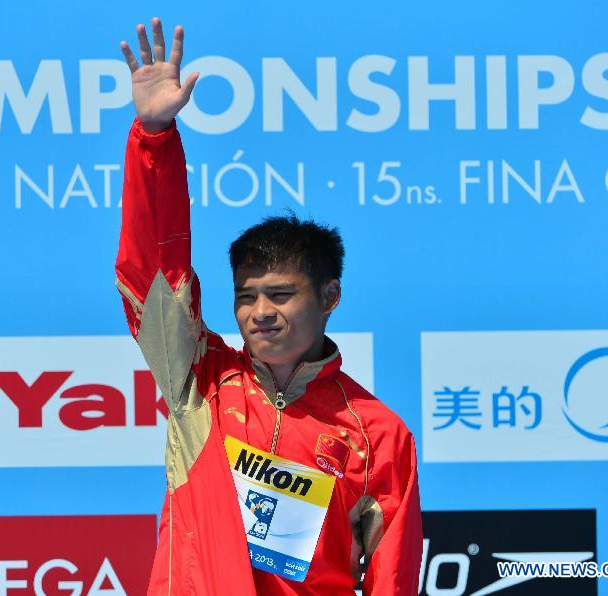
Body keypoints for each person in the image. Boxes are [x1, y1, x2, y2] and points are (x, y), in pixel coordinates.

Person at [115, 18, 423, 595]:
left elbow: (393, 578)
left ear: (330, 297)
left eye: (281, 295)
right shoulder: (196, 380)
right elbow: (153, 276)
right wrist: (154, 138)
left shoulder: (377, 434)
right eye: (246, 296)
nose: (260, 312)